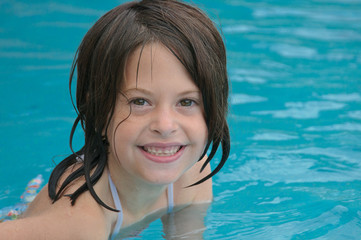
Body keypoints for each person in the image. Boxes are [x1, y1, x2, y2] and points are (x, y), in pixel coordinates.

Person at [0, 0, 230, 239]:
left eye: (186, 102)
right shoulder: (80, 219)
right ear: (99, 111)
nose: (165, 126)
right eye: (139, 102)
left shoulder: (193, 174)